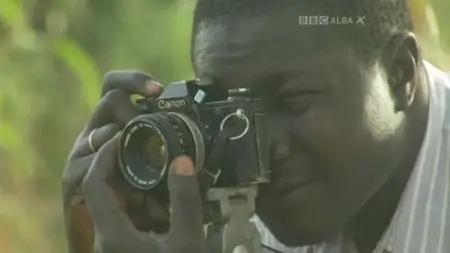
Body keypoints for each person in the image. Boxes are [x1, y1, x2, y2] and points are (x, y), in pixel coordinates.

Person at [61, 0, 450, 252]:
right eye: (230, 113)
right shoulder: (224, 213)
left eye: (295, 101)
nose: (257, 148)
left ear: (399, 74)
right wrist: (88, 237)